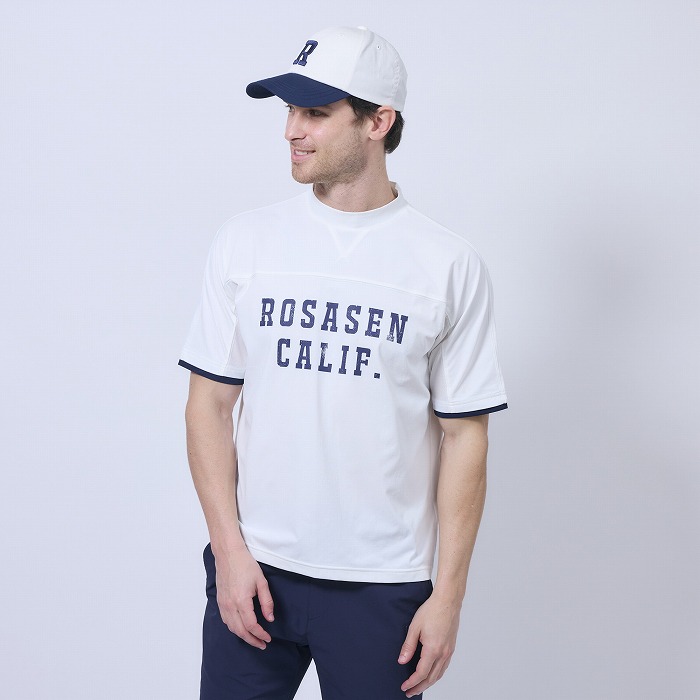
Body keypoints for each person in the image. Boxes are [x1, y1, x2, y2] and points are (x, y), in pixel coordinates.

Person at [179, 25, 507, 700]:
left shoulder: (447, 265)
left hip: (382, 589)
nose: (292, 131)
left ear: (377, 122)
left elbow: (465, 436)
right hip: (255, 570)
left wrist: (448, 596)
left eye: (316, 113)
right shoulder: (245, 243)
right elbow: (208, 403)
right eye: (290, 111)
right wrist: (229, 551)